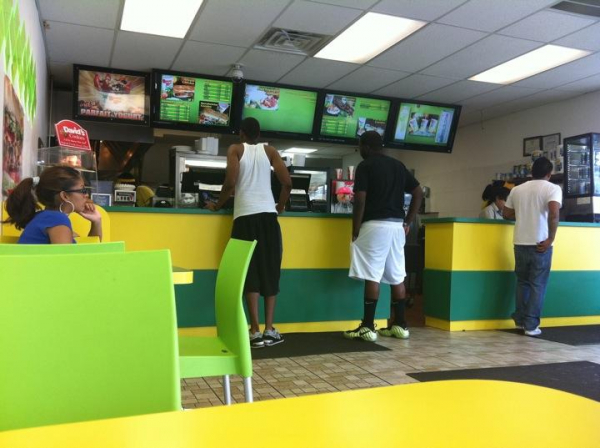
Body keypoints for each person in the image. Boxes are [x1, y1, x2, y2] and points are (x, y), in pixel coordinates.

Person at [206, 117, 291, 348]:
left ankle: (254, 331)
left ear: (241, 133)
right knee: (270, 270)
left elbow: (230, 182)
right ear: (259, 134)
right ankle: (270, 330)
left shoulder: (235, 149)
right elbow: (287, 183)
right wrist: (280, 206)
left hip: (244, 218)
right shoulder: (270, 151)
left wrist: (218, 205)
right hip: (269, 218)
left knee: (250, 272)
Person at [344, 131, 423, 342]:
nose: (360, 150)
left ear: (366, 146)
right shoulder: (398, 166)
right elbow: (418, 193)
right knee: (397, 276)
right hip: (397, 227)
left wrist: (355, 228)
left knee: (372, 275)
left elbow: (360, 200)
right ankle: (400, 325)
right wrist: (408, 221)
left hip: (374, 226)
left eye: (360, 146)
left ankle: (368, 327)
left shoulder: (365, 166)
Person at [503, 157, 561, 337]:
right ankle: (531, 325)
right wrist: (551, 238)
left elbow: (506, 214)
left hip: (520, 242)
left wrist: (524, 212)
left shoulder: (517, 189)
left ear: (531, 172)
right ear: (549, 174)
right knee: (538, 285)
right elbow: (554, 213)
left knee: (522, 282)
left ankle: (520, 321)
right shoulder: (552, 188)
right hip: (540, 244)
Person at [4, 165, 102, 244]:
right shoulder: (57, 219)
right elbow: (67, 260)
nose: (86, 195)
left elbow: (90, 251)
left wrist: (96, 221)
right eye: (83, 190)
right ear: (65, 196)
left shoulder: (47, 217)